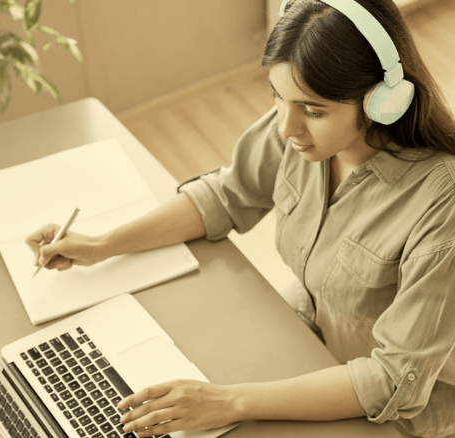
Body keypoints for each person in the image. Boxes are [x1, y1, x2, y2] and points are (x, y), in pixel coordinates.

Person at [25, 0, 455, 437]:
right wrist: (101, 245)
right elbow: (227, 195)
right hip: (313, 330)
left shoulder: (443, 203)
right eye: (277, 97)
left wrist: (232, 401)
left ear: (383, 102)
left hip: (406, 402)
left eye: (313, 110)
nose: (287, 128)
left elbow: (394, 380)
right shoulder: (300, 131)